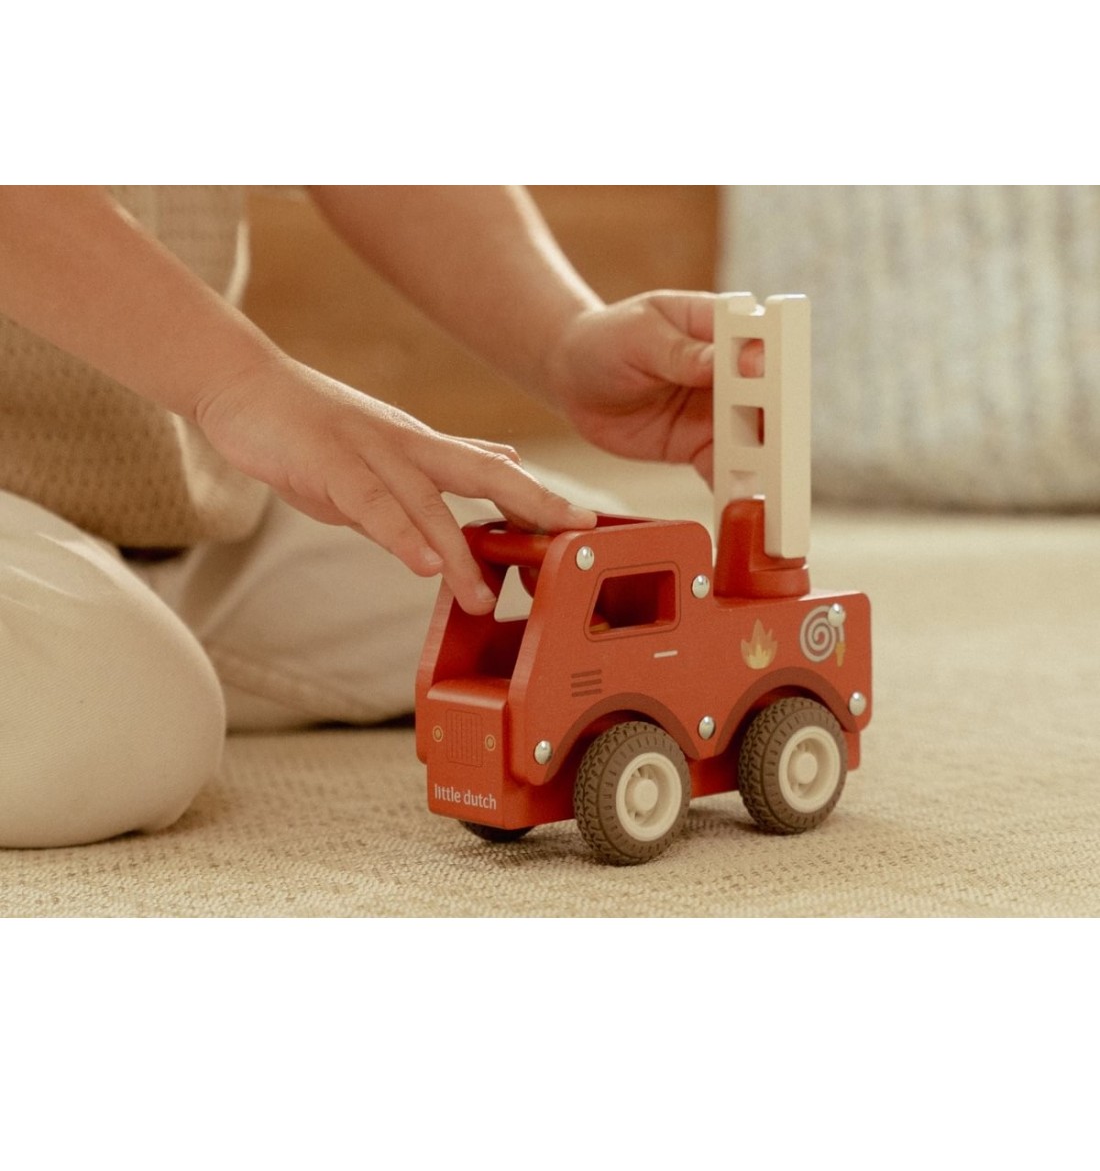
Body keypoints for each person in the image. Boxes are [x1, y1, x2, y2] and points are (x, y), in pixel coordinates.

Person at [0, 185, 728, 848]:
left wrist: (561, 337)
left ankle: (118, 631)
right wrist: (243, 383)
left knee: (606, 592)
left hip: (178, 490)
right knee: (123, 727)